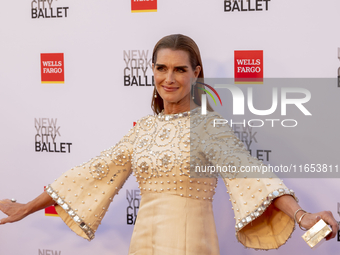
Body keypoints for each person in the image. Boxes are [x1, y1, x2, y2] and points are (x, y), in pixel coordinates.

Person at [0, 34, 338, 254]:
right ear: (152, 71)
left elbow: (251, 176)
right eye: (161, 68)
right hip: (142, 242)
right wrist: (26, 207)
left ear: (195, 73)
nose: (169, 78)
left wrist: (302, 215)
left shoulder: (208, 126)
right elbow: (93, 172)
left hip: (189, 243)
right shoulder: (143, 130)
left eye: (179, 69)